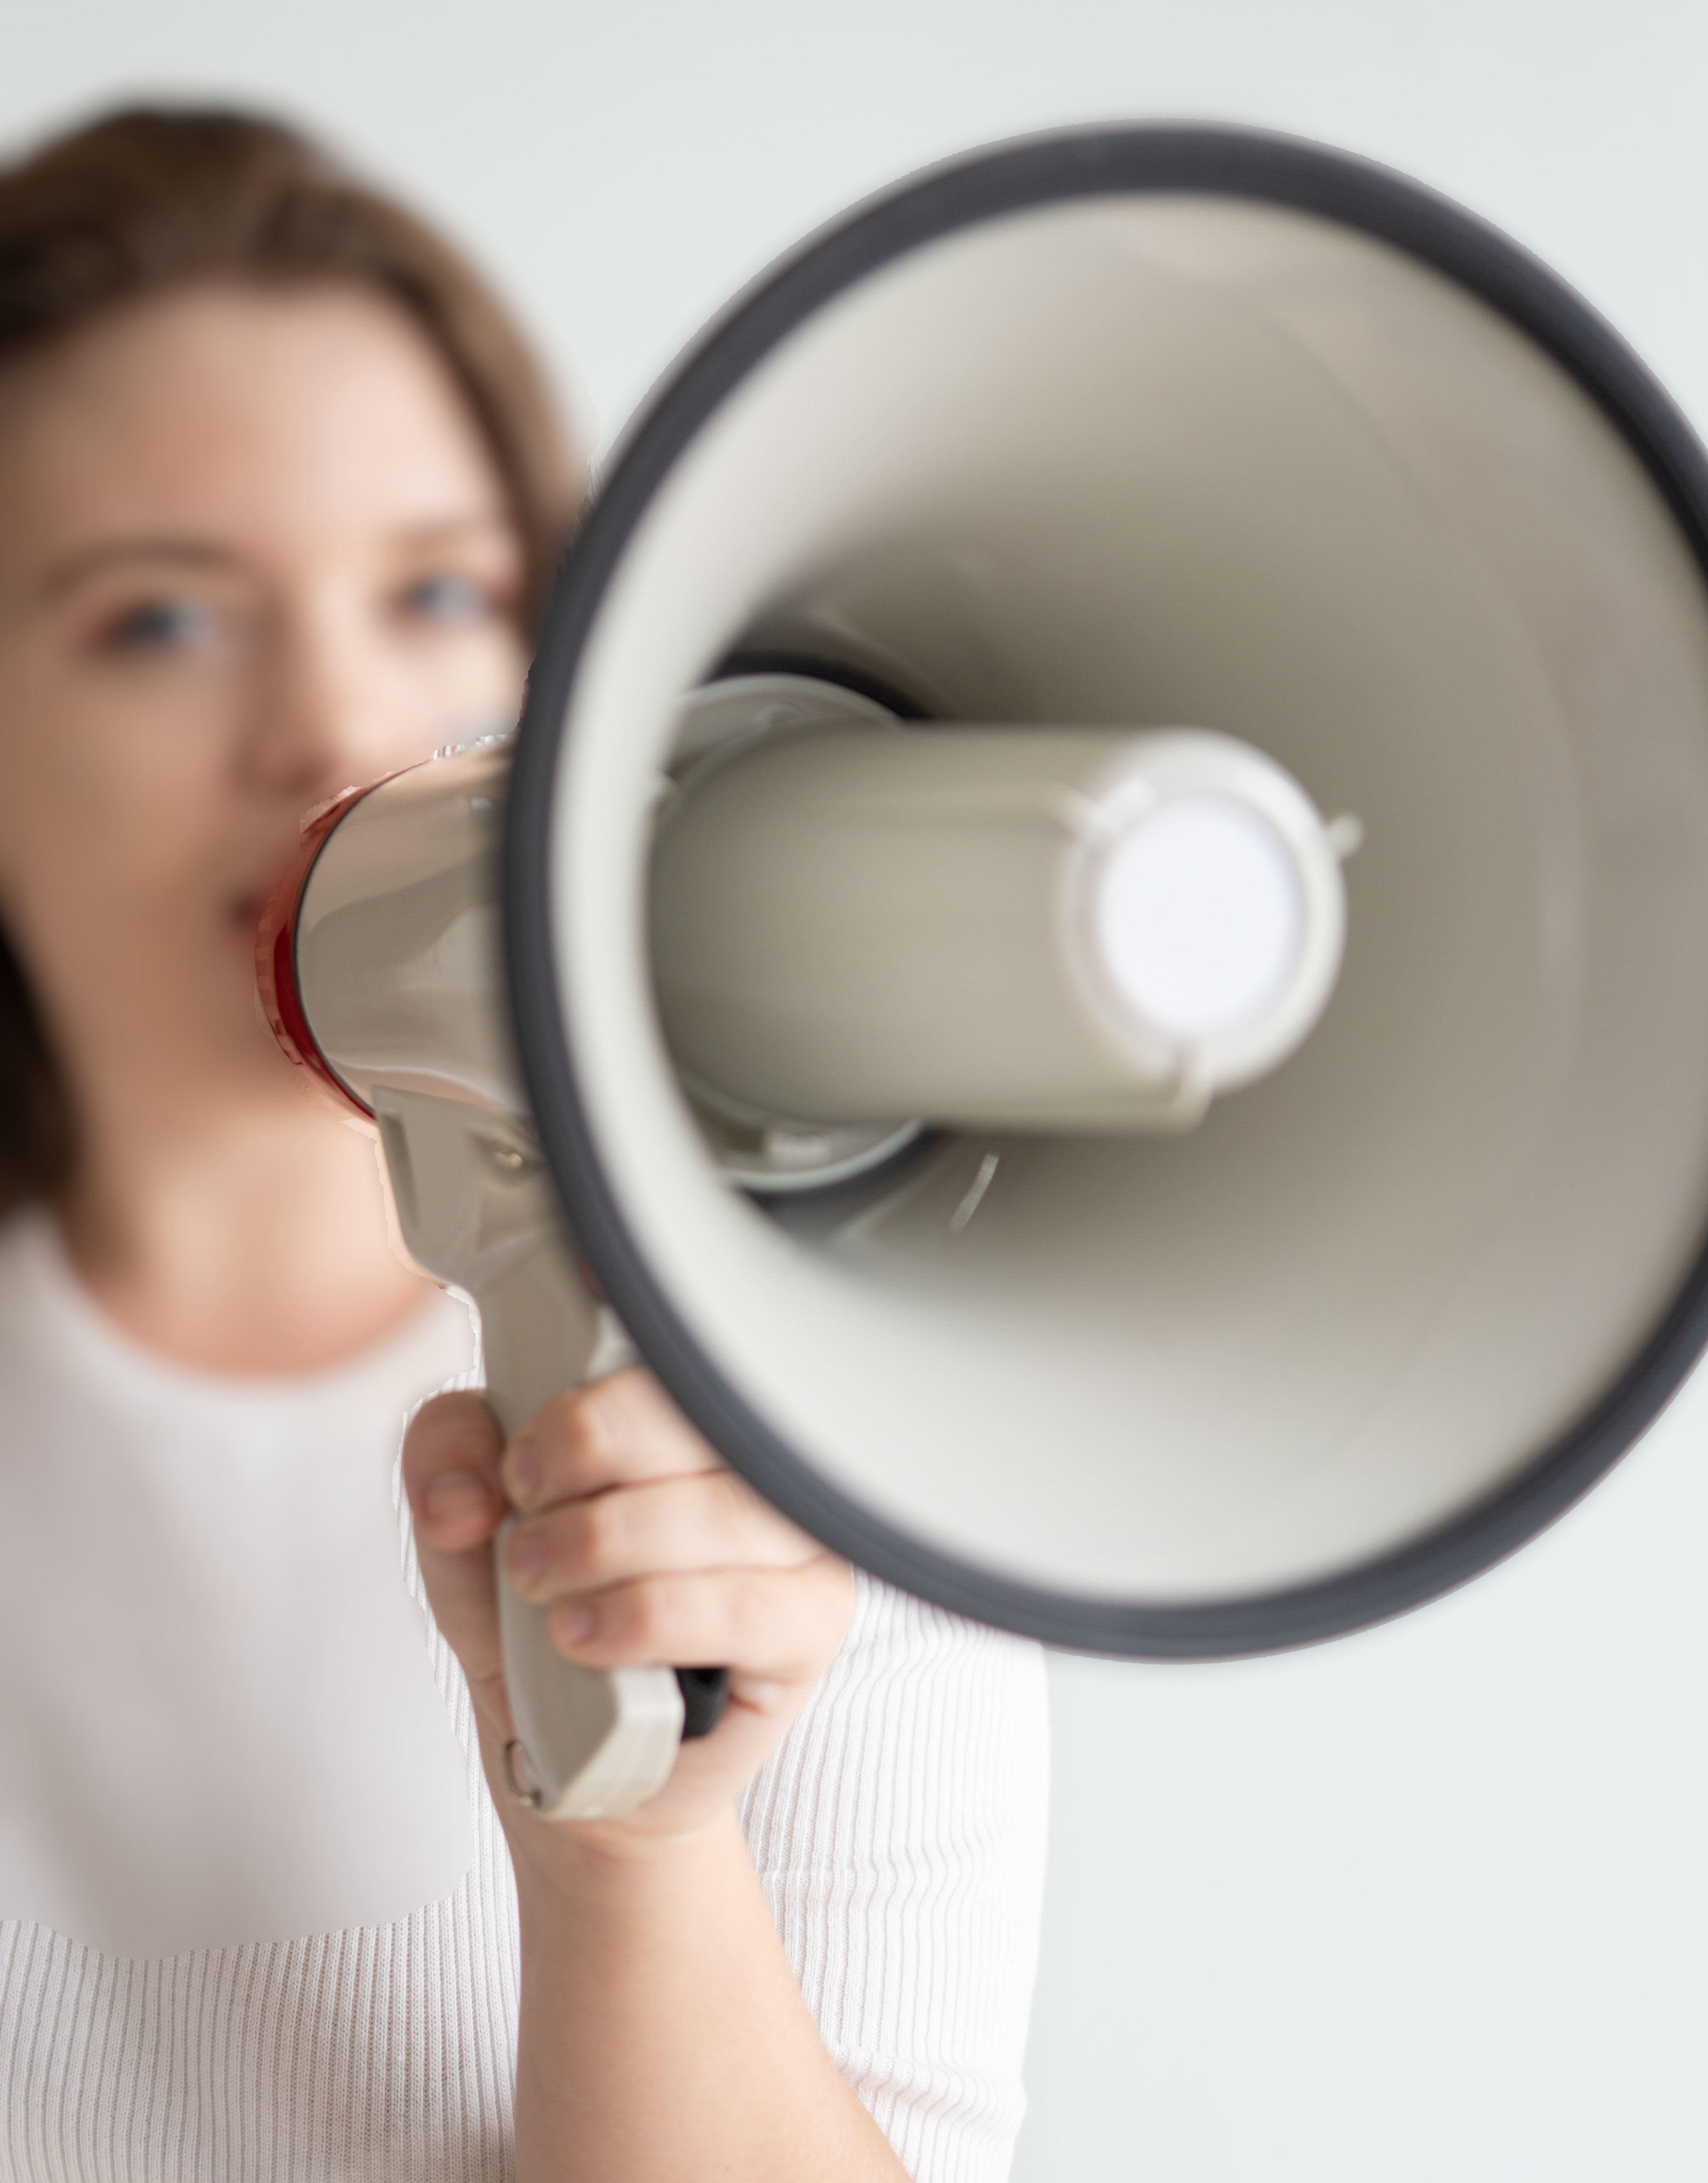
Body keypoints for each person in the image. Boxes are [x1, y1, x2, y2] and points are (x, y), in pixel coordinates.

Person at [0, 106, 1048, 2182]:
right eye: (163, 621)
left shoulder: (804, 1446)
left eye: (438, 589)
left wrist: (638, 1861)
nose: (331, 723)